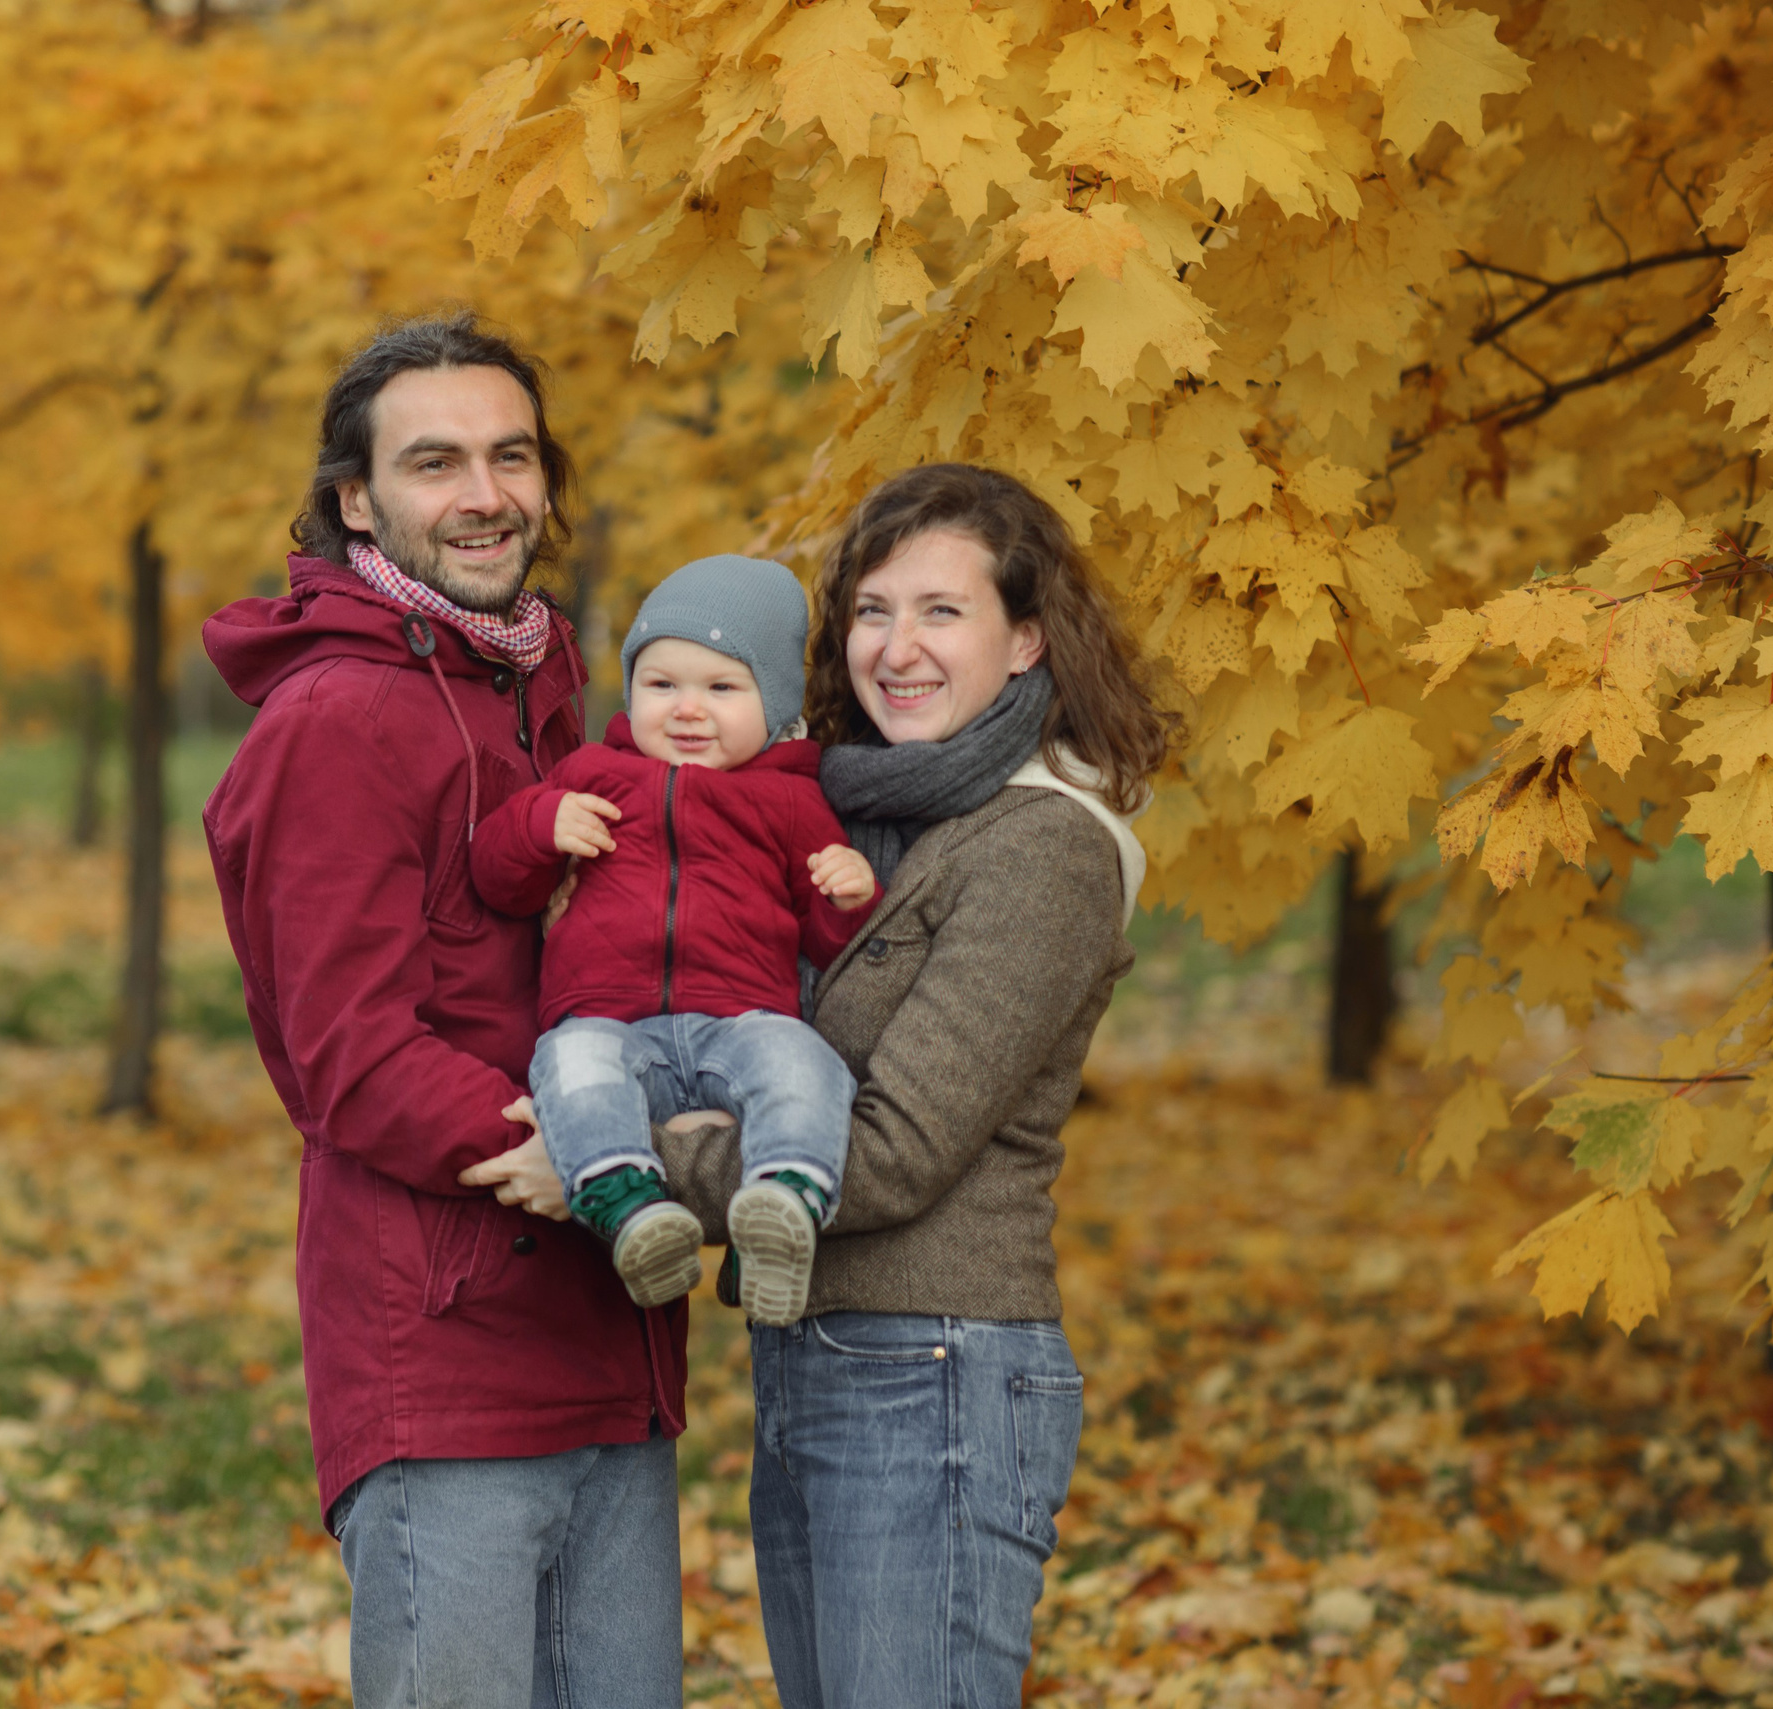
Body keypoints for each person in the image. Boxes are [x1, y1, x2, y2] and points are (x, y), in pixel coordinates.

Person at [199, 312, 687, 1709]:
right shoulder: (341, 719)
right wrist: (577, 1150)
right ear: (359, 498)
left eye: (510, 455)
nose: (484, 494)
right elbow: (346, 1056)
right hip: (447, 1353)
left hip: (614, 1340)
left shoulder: (542, 686)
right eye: (435, 462)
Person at [651, 462, 1177, 1707]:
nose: (897, 647)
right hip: (823, 1356)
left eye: (942, 612)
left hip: (938, 1371)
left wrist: (634, 1158)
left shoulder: (1043, 843)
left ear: (1029, 638)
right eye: (872, 610)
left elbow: (887, 1148)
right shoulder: (867, 826)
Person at [470, 555, 881, 1326]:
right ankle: (632, 1210)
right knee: (570, 1062)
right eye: (662, 685)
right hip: (609, 1020)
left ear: (776, 703)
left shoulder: (792, 801)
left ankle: (785, 1200)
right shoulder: (594, 774)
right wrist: (537, 827)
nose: (688, 708)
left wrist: (848, 893)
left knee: (805, 1063)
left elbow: (830, 946)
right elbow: (499, 880)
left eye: (722, 688)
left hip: (741, 1023)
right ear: (631, 692)